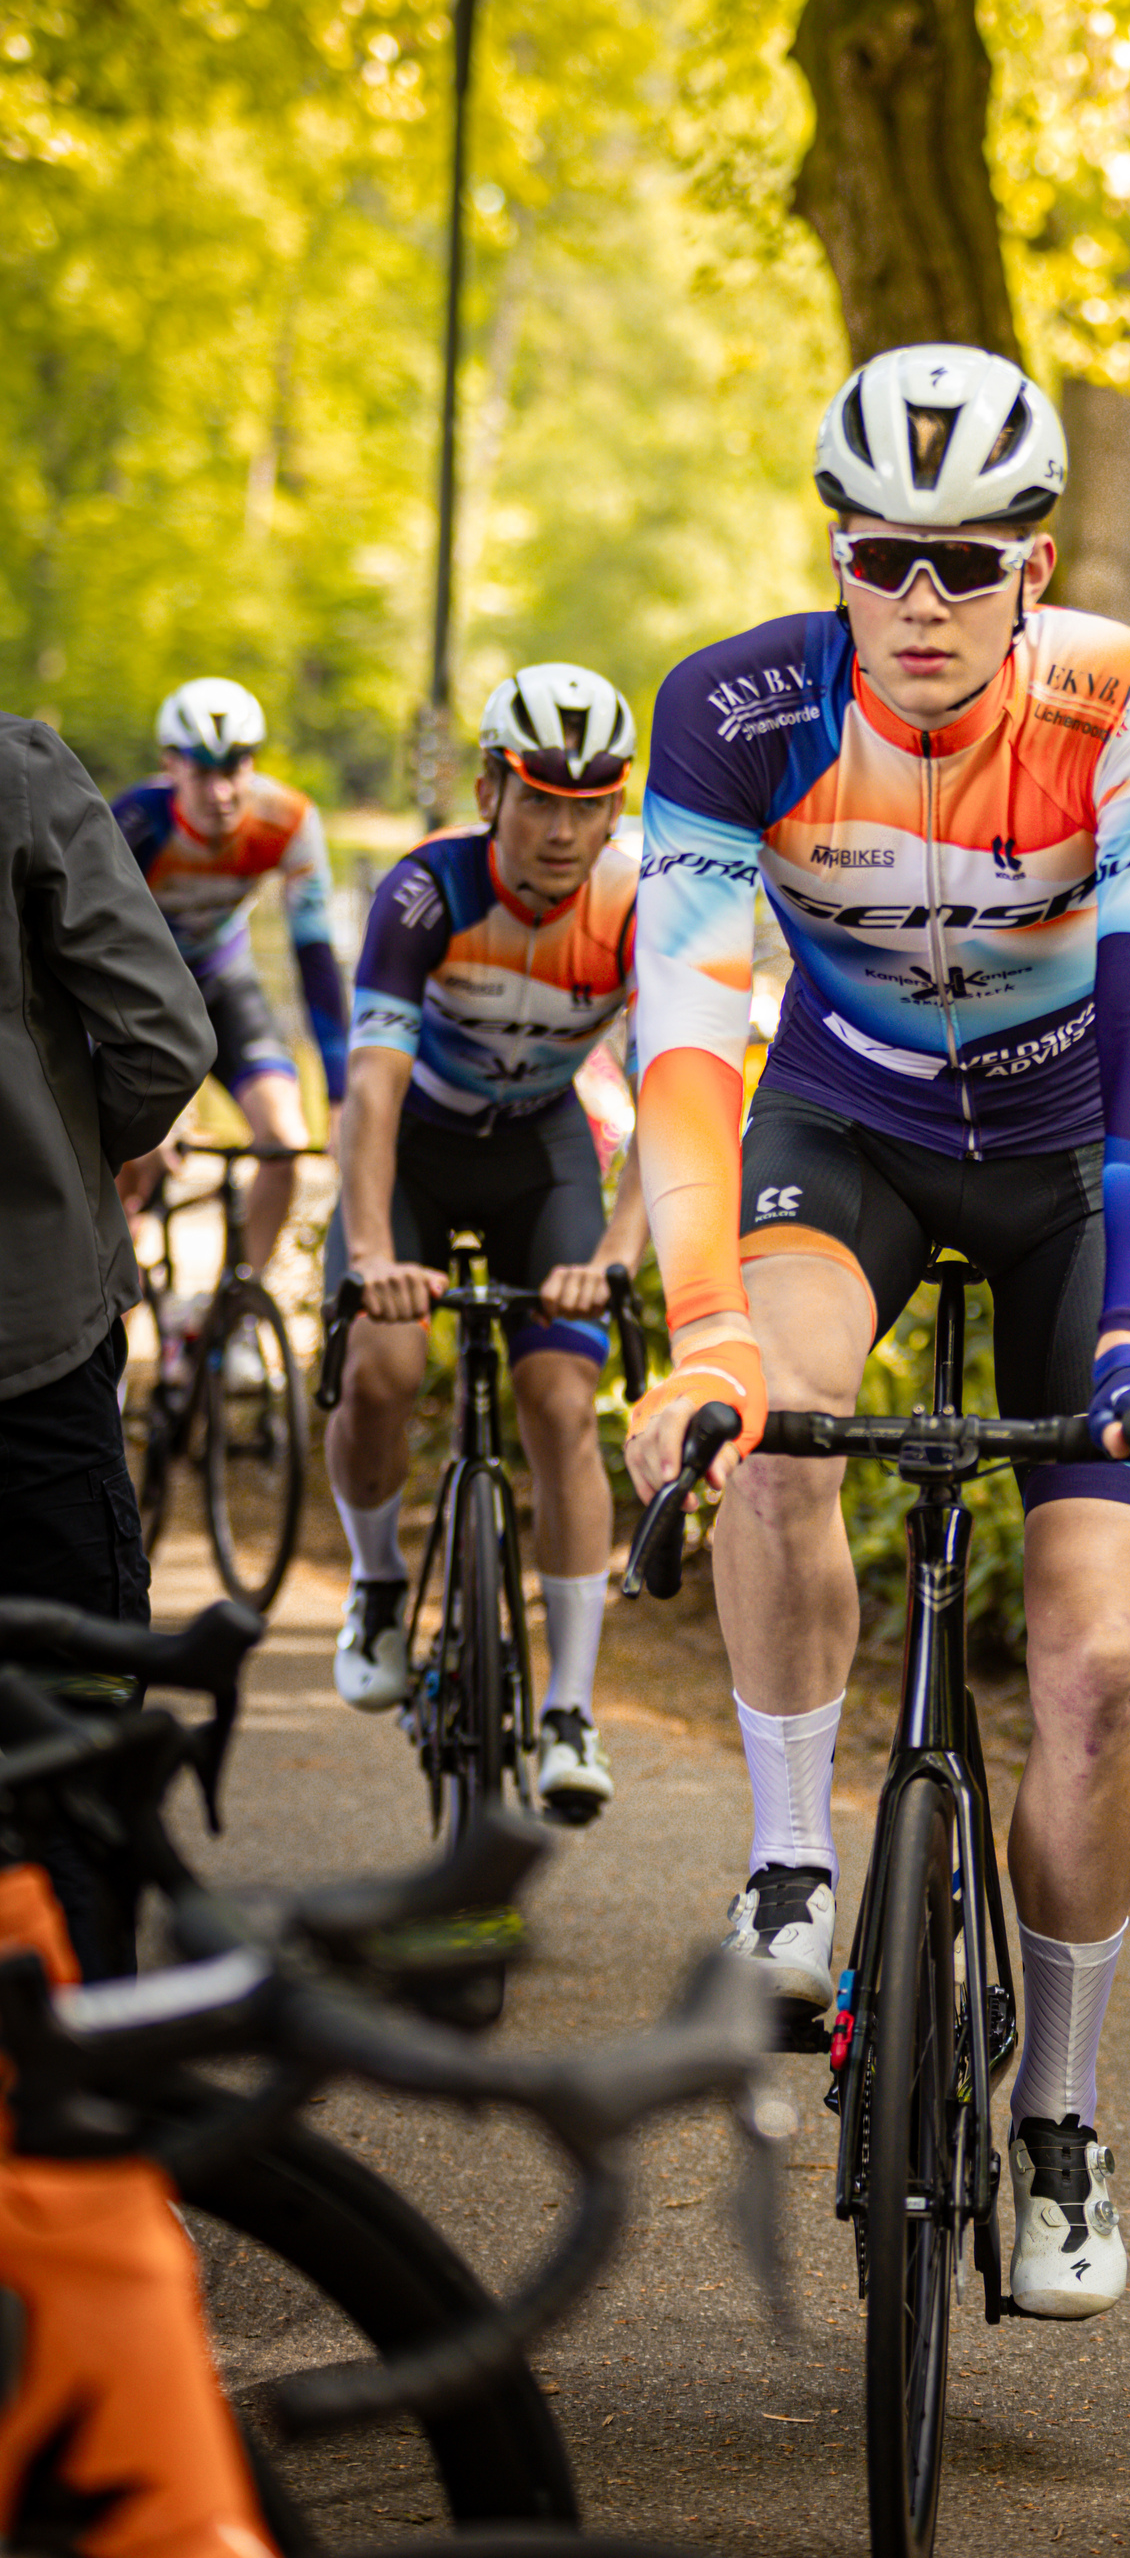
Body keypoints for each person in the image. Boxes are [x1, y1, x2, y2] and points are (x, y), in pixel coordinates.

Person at [624, 341, 1130, 2316]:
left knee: (1093, 1668)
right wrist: (703, 1327)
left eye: (964, 565)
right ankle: (796, 1859)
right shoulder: (735, 708)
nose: (918, 601)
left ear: (1033, 568)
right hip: (849, 1126)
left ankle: (1060, 2114)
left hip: (1077, 1169)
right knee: (778, 1420)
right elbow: (685, 1034)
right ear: (836, 552)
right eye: (882, 555)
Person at [322, 663, 648, 1821]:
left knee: (561, 1403)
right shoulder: (425, 892)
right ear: (488, 791)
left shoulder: (635, 907)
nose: (563, 827)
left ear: (614, 808)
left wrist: (615, 1249)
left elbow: (673, 1093)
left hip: (539, 1154)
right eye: (537, 797)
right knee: (384, 1369)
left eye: (588, 801)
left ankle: (568, 1706)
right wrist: (368, 1253)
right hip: (409, 1150)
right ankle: (374, 1582)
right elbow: (370, 1085)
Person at [0, 710, 215, 1972]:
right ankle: (83, 2137)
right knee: (73, 1749)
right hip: (25, 1334)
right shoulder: (18, 771)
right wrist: (75, 1157)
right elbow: (164, 1037)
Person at [113, 678, 348, 1275]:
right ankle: (112, 1298)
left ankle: (234, 1309)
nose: (222, 791)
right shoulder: (134, 825)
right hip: (138, 998)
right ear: (170, 766)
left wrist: (343, 1095)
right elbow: (93, 960)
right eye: (202, 771)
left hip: (222, 982)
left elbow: (315, 959)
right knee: (126, 1154)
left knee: (285, 1143)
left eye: (236, 766)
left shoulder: (288, 822)